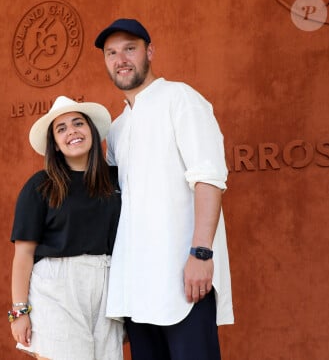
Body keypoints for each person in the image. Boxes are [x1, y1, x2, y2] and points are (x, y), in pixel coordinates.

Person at [93, 18, 234, 360]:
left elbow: (209, 178)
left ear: (149, 52)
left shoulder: (180, 98)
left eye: (130, 48)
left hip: (184, 280)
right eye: (112, 53)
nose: (120, 59)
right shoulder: (118, 128)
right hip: (137, 287)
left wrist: (201, 254)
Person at [9, 95, 124, 360]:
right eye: (61, 129)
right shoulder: (41, 185)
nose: (71, 131)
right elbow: (23, 255)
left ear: (91, 132)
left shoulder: (115, 180)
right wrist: (19, 312)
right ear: (56, 145)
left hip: (107, 284)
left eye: (78, 123)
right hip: (56, 287)